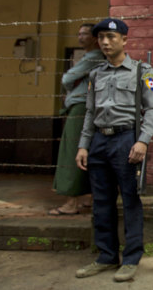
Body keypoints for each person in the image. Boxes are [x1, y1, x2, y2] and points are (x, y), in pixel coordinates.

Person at [74, 18, 153, 282]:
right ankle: (106, 256)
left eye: (111, 37)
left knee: (130, 200)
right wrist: (83, 145)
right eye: (101, 37)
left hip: (126, 140)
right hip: (99, 141)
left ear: (124, 40)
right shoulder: (95, 74)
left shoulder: (142, 71)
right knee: (101, 203)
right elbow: (90, 112)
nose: (105, 42)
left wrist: (143, 141)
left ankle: (132, 258)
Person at [49, 23, 103, 215]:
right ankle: (87, 196)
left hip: (80, 107)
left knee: (72, 151)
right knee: (85, 150)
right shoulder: (92, 57)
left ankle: (71, 202)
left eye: (85, 34)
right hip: (87, 107)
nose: (80, 37)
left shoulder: (93, 57)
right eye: (79, 33)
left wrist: (70, 84)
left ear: (95, 38)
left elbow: (66, 79)